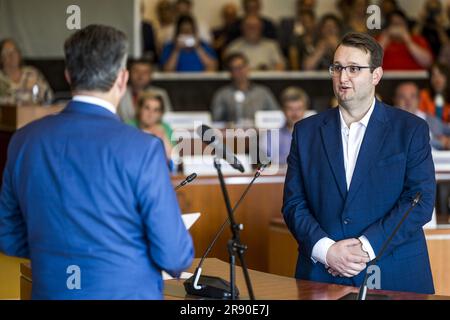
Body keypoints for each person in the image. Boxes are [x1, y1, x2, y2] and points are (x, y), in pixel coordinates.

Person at [0, 25, 194, 299]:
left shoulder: (23, 141)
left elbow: (8, 236)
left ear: (69, 76)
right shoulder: (144, 148)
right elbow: (174, 255)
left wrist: (54, 252)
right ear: (122, 79)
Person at [282, 32, 436, 294]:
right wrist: (326, 250)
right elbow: (294, 203)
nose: (343, 78)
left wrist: (365, 247)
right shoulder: (306, 132)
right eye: (337, 68)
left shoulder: (410, 129)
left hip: (393, 272)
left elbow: (419, 201)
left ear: (376, 75)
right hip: (322, 273)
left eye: (354, 69)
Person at [211, 52, 280, 124]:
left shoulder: (263, 92)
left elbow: (277, 116)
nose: (240, 71)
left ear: (248, 68)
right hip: (231, 134)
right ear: (230, 72)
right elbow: (216, 121)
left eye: (242, 66)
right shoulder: (222, 94)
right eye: (235, 68)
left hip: (260, 133)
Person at [395, 81, 450, 150]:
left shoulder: (432, 120)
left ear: (419, 99)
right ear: (395, 99)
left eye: (412, 96)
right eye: (402, 97)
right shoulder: (386, 122)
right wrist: (438, 142)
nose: (408, 101)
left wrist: (447, 142)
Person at [0, 38, 53, 105]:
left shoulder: (32, 74)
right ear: (1, 58)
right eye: (7, 52)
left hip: (34, 114)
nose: (12, 55)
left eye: (14, 51)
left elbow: (48, 97)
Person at [267, 87, 311, 165]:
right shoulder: (272, 136)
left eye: (299, 108)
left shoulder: (314, 136)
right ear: (283, 110)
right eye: (290, 109)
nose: (295, 113)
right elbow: (267, 166)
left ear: (305, 109)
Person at [118, 59, 172, 123]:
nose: (140, 75)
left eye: (145, 72)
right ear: (129, 73)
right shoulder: (119, 92)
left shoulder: (160, 93)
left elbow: (167, 119)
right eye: (136, 71)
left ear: (151, 75)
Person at [128, 92, 174, 160]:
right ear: (139, 109)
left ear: (160, 114)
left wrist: (163, 136)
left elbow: (173, 158)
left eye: (156, 110)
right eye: (147, 108)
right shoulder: (129, 126)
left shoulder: (165, 128)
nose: (151, 114)